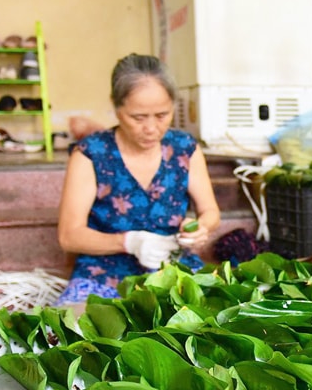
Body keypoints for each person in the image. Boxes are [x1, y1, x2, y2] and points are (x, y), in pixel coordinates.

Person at [56, 53, 220, 304]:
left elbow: (210, 212)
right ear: (116, 107)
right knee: (81, 324)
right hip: (104, 273)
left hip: (172, 266)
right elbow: (69, 236)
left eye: (162, 115)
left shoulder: (185, 149)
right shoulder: (91, 154)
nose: (151, 128)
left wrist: (201, 228)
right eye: (138, 117)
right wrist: (129, 242)